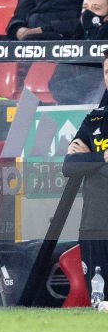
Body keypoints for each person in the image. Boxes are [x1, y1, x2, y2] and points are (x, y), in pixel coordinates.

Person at [64, 54, 108, 296]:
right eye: (107, 72)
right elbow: (69, 166)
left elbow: (80, 162)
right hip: (95, 225)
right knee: (99, 302)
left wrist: (88, 159)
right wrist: (101, 158)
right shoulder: (95, 119)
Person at [48, 0, 108, 104]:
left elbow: (100, 80)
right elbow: (55, 85)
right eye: (85, 8)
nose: (88, 13)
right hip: (74, 105)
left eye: (96, 8)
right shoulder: (75, 38)